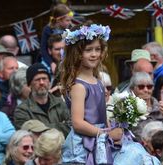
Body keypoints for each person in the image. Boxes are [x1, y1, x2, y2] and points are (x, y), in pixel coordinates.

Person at [60, 23, 124, 164]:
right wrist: (107, 135)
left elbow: (102, 115)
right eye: (88, 50)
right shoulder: (79, 86)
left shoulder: (99, 81)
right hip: (84, 143)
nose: (94, 54)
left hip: (100, 139)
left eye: (98, 49)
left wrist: (112, 128)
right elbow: (77, 123)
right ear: (77, 54)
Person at [14, 63, 71, 137]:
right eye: (37, 80)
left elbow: (71, 127)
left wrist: (40, 128)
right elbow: (28, 135)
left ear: (49, 82)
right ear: (29, 84)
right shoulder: (22, 110)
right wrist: (60, 125)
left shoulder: (60, 103)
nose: (41, 82)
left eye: (44, 78)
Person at [40, 3, 72, 75]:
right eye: (67, 20)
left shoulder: (69, 29)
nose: (70, 23)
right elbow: (43, 49)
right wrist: (51, 63)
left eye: (70, 20)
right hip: (50, 60)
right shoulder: (47, 30)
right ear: (59, 20)